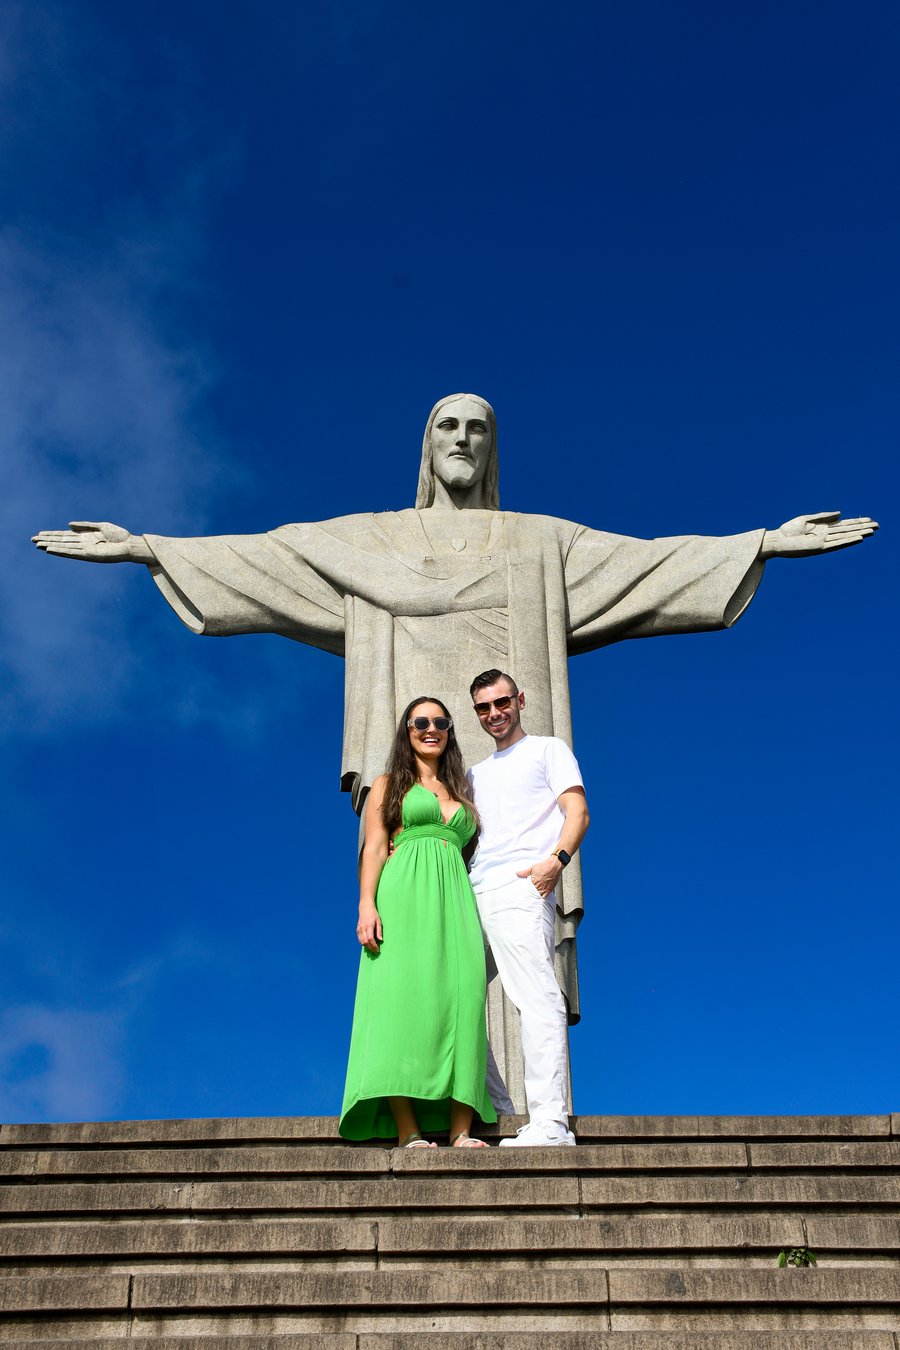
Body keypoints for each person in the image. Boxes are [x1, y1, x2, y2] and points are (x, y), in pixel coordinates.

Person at [32, 392, 878, 1071]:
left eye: (479, 427)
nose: (463, 438)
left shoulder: (542, 543)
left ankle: (510, 1112)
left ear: (493, 447)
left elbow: (647, 562)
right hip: (415, 794)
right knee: (420, 938)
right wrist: (150, 548)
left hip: (509, 789)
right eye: (448, 425)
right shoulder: (373, 541)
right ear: (427, 444)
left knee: (516, 938)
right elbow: (271, 559)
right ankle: (427, 1096)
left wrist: (759, 543)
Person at [339, 696, 496, 1148]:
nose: (431, 729)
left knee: (463, 1001)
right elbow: (373, 848)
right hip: (403, 895)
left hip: (456, 901)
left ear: (449, 731)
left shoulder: (463, 791)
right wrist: (366, 904)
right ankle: (409, 1132)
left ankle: (461, 1131)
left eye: (440, 722)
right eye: (420, 721)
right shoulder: (387, 784)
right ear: (407, 730)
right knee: (400, 1006)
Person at [468, 668, 590, 1147]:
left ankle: (550, 1123)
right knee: (455, 998)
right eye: (483, 707)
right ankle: (496, 1109)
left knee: (535, 996)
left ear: (519, 700)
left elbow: (577, 811)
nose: (494, 714)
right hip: (473, 890)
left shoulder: (548, 749)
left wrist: (555, 864)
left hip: (524, 886)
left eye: (501, 703)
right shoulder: (474, 774)